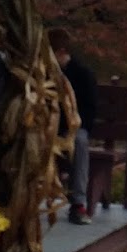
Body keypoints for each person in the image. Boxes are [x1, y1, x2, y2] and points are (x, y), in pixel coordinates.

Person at [48, 29, 98, 225]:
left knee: (79, 142)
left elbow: (89, 111)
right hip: (48, 128)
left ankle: (78, 204)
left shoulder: (83, 74)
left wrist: (69, 126)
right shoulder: (45, 75)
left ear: (61, 52)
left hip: (73, 129)